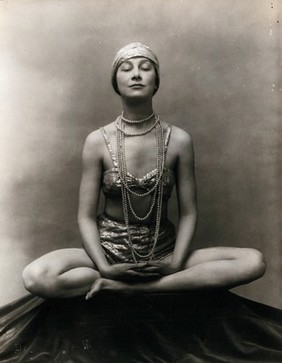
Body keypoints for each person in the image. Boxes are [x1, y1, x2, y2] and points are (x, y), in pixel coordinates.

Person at [22, 42, 266, 301]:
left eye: (145, 68)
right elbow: (85, 216)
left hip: (163, 252)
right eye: (126, 69)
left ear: (156, 81)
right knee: (36, 276)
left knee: (253, 261)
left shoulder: (179, 140)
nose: (136, 74)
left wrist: (174, 263)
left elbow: (189, 212)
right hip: (107, 251)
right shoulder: (97, 140)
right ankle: (109, 279)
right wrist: (105, 267)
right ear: (116, 82)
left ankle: (137, 288)